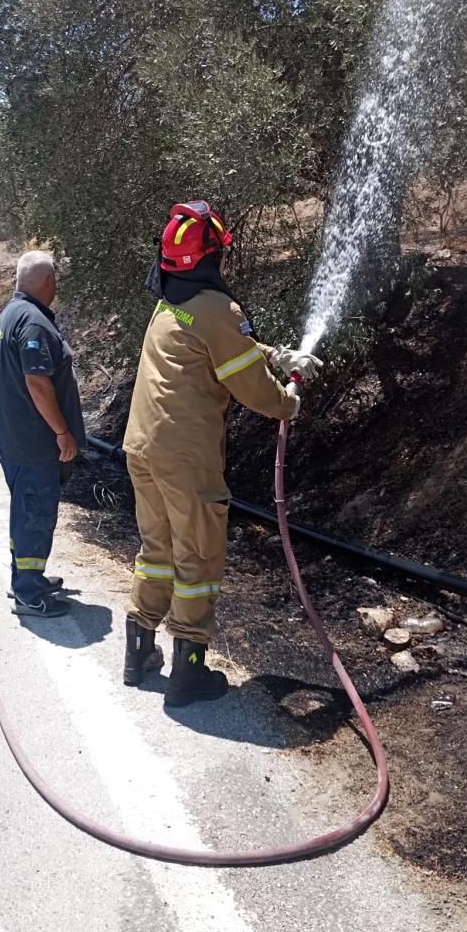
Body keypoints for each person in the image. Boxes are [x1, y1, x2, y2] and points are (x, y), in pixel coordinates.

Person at [122, 201, 322, 706]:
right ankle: (188, 676)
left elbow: (225, 347)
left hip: (142, 447)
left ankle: (139, 652)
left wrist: (277, 354)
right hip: (185, 456)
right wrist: (287, 402)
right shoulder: (217, 309)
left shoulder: (171, 304)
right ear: (211, 257)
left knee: (157, 551)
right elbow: (252, 388)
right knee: (198, 557)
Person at [0, 251, 86, 619]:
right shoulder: (33, 323)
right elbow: (37, 383)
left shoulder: (10, 314)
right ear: (48, 283)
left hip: (14, 437)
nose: (56, 287)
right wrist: (62, 432)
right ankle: (30, 594)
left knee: (24, 512)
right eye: (55, 281)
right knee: (35, 516)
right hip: (34, 443)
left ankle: (26, 577)